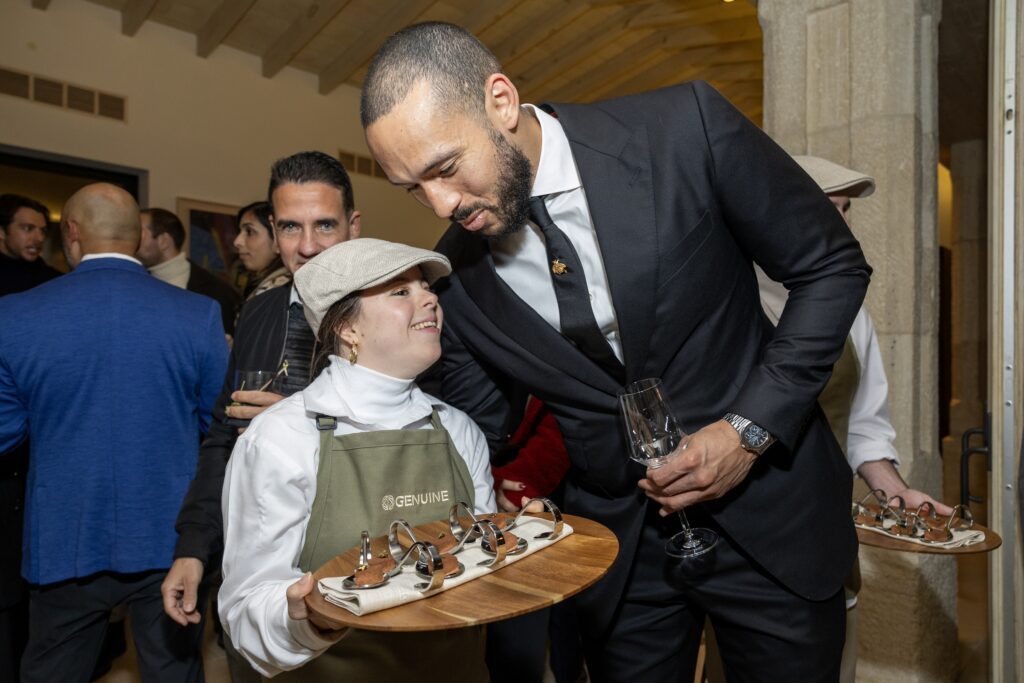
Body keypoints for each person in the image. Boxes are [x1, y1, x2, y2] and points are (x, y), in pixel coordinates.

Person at [361, 22, 871, 681]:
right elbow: (484, 424)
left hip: (775, 521)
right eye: (413, 188)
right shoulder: (459, 280)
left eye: (445, 168)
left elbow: (830, 266)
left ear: (501, 102)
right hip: (621, 560)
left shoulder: (686, 128)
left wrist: (747, 431)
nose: (440, 203)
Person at [219, 238, 496, 679]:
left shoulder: (459, 430)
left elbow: (482, 565)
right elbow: (247, 611)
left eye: (427, 288)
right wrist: (310, 619)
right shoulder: (283, 437)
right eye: (401, 291)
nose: (429, 299)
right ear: (349, 330)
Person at [0, 183, 227, 682]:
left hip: (64, 536)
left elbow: (5, 434)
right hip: (170, 538)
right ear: (136, 236)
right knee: (174, 670)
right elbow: (221, 431)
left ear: (72, 233)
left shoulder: (13, 315)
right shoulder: (197, 315)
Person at [160, 151, 361, 681]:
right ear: (274, 229)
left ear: (353, 226)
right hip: (260, 569)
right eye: (291, 227)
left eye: (325, 225)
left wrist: (301, 423)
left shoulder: (396, 310)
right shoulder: (261, 310)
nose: (308, 246)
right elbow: (223, 437)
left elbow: (426, 440)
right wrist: (194, 547)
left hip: (351, 569)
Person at [752, 155, 952, 683]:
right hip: (743, 554)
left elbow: (863, 424)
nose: (841, 225)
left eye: (845, 212)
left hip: (825, 544)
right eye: (828, 209)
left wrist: (895, 493)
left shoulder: (850, 309)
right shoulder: (727, 297)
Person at [0, 192, 60, 681]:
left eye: (42, 229)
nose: (36, 237)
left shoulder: (55, 285)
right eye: (26, 228)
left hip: (42, 451)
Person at [137, 207, 242, 336]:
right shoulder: (135, 283)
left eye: (139, 232)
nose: (132, 239)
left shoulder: (216, 292)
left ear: (164, 241)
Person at [0, 193, 61, 295]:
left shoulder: (52, 280)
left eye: (43, 231)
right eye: (28, 228)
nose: (40, 238)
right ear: (1, 232)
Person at [233, 201, 290, 301]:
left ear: (277, 240)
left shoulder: (280, 292)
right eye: (240, 232)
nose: (237, 242)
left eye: (250, 232)